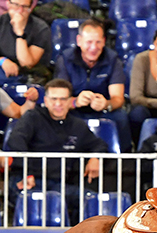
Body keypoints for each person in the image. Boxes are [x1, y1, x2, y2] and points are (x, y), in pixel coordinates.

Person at [5, 78, 109, 224]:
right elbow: (15, 140)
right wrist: (26, 172)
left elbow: (99, 144)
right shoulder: (33, 117)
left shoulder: (77, 125)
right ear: (46, 101)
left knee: (90, 199)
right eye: (54, 99)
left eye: (63, 99)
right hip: (29, 180)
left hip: (59, 185)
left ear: (69, 101)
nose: (58, 104)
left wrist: (95, 158)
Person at [54, 19, 131, 153]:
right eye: (89, 42)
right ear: (79, 41)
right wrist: (75, 101)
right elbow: (58, 97)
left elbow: (118, 98)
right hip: (74, 109)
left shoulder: (113, 60)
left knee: (121, 116)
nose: (94, 47)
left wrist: (106, 104)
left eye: (98, 42)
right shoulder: (65, 59)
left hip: (102, 109)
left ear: (104, 41)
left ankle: (124, 161)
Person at [0, 0, 51, 87]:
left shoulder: (41, 28)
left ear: (30, 8)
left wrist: (19, 33)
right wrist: (1, 61)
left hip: (31, 74)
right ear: (8, 3)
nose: (20, 10)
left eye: (25, 7)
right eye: (16, 5)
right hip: (5, 69)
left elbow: (26, 64)